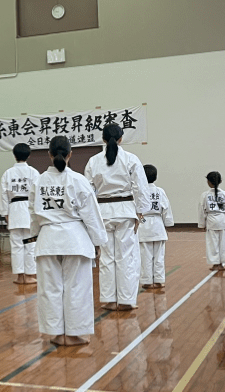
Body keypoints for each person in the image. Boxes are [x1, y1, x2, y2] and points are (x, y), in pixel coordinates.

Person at [31, 136, 107, 346]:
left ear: (49, 154)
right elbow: (91, 215)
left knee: (49, 289)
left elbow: (33, 214)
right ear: (70, 154)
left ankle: (55, 333)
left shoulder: (38, 181)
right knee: (77, 288)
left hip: (47, 240)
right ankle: (74, 333)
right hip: (75, 240)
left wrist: (35, 235)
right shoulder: (78, 180)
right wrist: (98, 241)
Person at [84, 124, 152, 312]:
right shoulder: (130, 159)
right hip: (125, 211)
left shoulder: (93, 161)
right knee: (126, 256)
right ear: (121, 138)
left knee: (106, 257)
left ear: (103, 139)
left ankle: (109, 299)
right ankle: (126, 300)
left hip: (103, 213)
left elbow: (88, 191)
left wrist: (90, 216)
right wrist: (140, 211)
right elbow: (140, 186)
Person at [0, 143, 40, 285]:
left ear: (14, 155)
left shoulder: (8, 173)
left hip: (14, 210)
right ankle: (29, 275)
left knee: (16, 245)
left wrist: (5, 212)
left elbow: (3, 194)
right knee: (30, 244)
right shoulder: (33, 172)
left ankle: (20, 276)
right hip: (29, 210)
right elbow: (38, 194)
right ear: (28, 155)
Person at [140, 165, 173, 290]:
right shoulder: (160, 191)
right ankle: (159, 280)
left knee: (145, 255)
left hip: (143, 223)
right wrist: (167, 224)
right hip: (158, 224)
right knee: (159, 255)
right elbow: (166, 208)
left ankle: (147, 281)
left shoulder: (139, 191)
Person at [200, 171, 225, 272]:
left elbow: (202, 210)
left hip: (211, 221)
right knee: (223, 243)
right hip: (223, 220)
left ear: (208, 182)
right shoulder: (224, 194)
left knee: (213, 243)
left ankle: (216, 263)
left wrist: (202, 224)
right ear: (220, 181)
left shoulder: (205, 195)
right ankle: (221, 264)